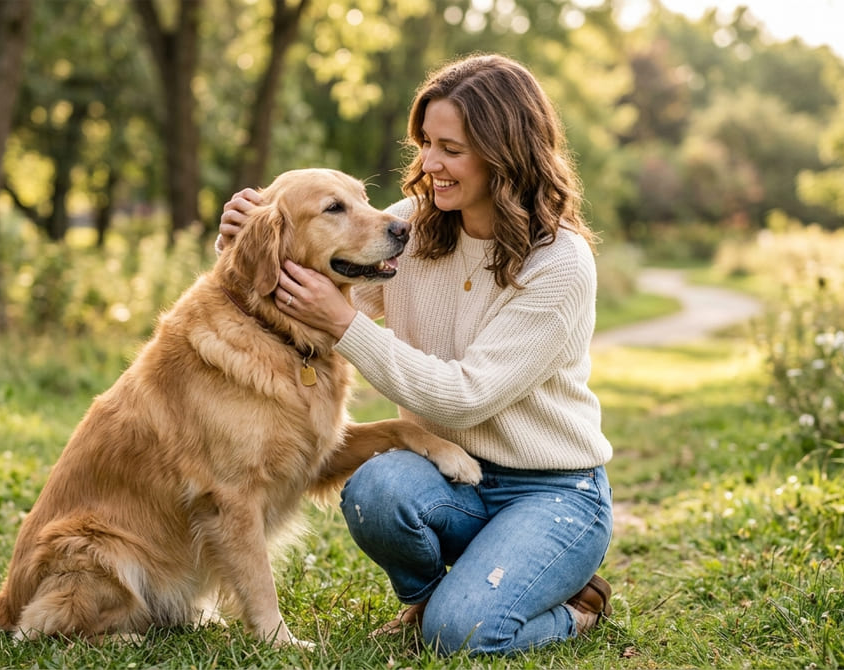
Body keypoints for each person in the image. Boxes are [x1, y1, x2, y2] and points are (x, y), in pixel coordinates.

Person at [217, 53, 614, 656]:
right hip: (452, 479)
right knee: (376, 489)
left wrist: (345, 324)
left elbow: (464, 398)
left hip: (551, 493)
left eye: (451, 149)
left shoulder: (560, 263)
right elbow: (294, 282)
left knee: (462, 634)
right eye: (426, 143)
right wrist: (242, 242)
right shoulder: (412, 226)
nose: (429, 164)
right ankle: (430, 601)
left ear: (505, 154)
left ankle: (576, 611)